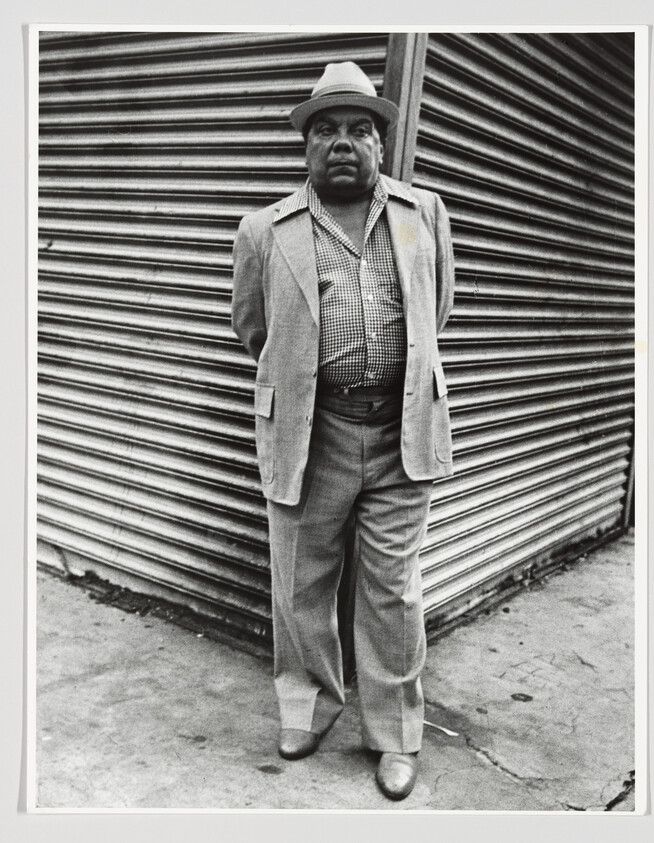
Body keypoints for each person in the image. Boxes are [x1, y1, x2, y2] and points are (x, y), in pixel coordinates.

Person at [232, 61, 455, 801]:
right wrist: (306, 381)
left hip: (400, 430)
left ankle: (394, 735)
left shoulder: (425, 215)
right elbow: (253, 329)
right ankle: (309, 707)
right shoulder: (263, 230)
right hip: (310, 431)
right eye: (324, 128)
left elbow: (436, 313)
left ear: (380, 143)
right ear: (305, 145)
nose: (341, 142)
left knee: (392, 593)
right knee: (301, 586)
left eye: (358, 128)